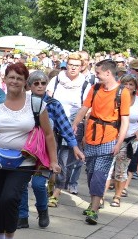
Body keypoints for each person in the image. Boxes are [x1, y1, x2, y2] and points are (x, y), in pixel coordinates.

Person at [0, 63, 60, 239]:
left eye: (19, 78)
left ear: (24, 82)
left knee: (9, 198)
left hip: (24, 161)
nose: (14, 82)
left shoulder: (35, 104)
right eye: (11, 77)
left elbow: (48, 135)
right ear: (5, 79)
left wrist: (53, 161)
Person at [18, 70, 83, 227]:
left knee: (39, 184)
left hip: (46, 151)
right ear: (29, 85)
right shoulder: (23, 102)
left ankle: (42, 210)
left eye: (43, 83)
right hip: (25, 149)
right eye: (36, 83)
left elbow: (65, 126)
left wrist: (75, 146)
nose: (40, 86)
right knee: (21, 183)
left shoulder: (53, 104)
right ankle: (22, 216)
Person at [72, 59, 131, 224]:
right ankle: (93, 203)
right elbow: (84, 108)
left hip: (110, 138)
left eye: (98, 73)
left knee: (99, 174)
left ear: (108, 73)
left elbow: (124, 121)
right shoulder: (95, 88)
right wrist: (75, 124)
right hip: (91, 137)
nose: (96, 76)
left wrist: (119, 143)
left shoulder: (122, 92)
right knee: (91, 173)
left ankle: (94, 210)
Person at [46, 51, 90, 201]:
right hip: (52, 124)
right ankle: (50, 182)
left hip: (72, 126)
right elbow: (48, 100)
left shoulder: (85, 84)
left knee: (64, 160)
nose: (73, 68)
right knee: (50, 155)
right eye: (70, 65)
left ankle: (57, 191)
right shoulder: (56, 80)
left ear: (82, 67)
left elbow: (86, 108)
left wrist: (81, 129)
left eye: (76, 66)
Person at [106, 74, 138, 207]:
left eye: (131, 84)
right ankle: (99, 197)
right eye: (125, 84)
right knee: (107, 169)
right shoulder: (115, 99)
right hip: (111, 138)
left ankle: (117, 196)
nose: (128, 87)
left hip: (129, 140)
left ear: (135, 87)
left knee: (121, 169)